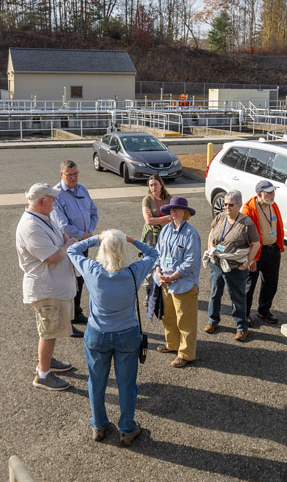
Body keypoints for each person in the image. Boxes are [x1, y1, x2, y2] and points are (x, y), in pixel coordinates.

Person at [68, 230, 157, 446]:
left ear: (103, 250)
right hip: (127, 333)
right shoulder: (134, 272)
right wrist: (132, 239)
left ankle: (98, 425)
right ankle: (127, 429)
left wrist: (95, 239)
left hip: (97, 333)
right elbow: (154, 254)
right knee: (127, 384)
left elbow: (72, 249)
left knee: (96, 381)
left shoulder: (93, 270)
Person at [16, 183, 80, 391]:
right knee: (48, 332)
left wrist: (65, 240)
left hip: (55, 286)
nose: (55, 202)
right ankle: (43, 374)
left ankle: (48, 361)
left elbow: (61, 235)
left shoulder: (43, 218)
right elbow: (52, 257)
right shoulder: (30, 227)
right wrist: (68, 245)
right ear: (42, 200)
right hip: (45, 288)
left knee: (52, 329)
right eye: (52, 199)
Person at [153, 196, 202, 367]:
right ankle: (172, 344)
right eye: (171, 209)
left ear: (185, 213)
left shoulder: (191, 233)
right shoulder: (165, 230)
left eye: (177, 209)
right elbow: (157, 253)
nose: (173, 212)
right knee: (169, 317)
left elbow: (191, 261)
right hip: (165, 282)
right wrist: (158, 271)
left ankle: (186, 354)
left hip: (183, 284)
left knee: (185, 321)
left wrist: (173, 276)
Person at [205, 190, 260, 342]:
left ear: (239, 205)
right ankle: (212, 321)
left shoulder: (246, 223)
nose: (227, 207)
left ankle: (242, 327)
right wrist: (210, 251)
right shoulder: (220, 217)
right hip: (217, 264)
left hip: (235, 268)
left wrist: (246, 262)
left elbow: (256, 244)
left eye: (231, 204)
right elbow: (211, 233)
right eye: (225, 204)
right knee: (215, 293)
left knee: (237, 297)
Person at [52, 160, 99, 329]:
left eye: (76, 173)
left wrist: (89, 230)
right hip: (69, 244)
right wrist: (82, 234)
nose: (73, 178)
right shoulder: (56, 195)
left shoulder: (82, 189)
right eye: (69, 175)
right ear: (61, 175)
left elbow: (94, 211)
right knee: (68, 279)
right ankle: (66, 317)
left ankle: (76, 312)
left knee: (80, 278)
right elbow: (62, 225)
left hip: (84, 243)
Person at [242, 180, 285, 325]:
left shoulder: (274, 205)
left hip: (273, 250)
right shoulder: (249, 209)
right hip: (256, 253)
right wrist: (251, 257)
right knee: (249, 285)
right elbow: (245, 235)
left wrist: (279, 246)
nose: (273, 194)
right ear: (260, 194)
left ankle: (264, 310)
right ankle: (244, 314)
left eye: (273, 191)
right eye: (269, 192)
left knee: (271, 283)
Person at [140, 175, 172, 246]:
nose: (153, 188)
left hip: (168, 230)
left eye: (155, 184)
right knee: (151, 254)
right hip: (152, 231)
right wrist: (167, 218)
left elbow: (175, 217)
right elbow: (148, 221)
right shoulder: (147, 199)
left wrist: (155, 219)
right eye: (151, 185)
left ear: (161, 185)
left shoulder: (170, 199)